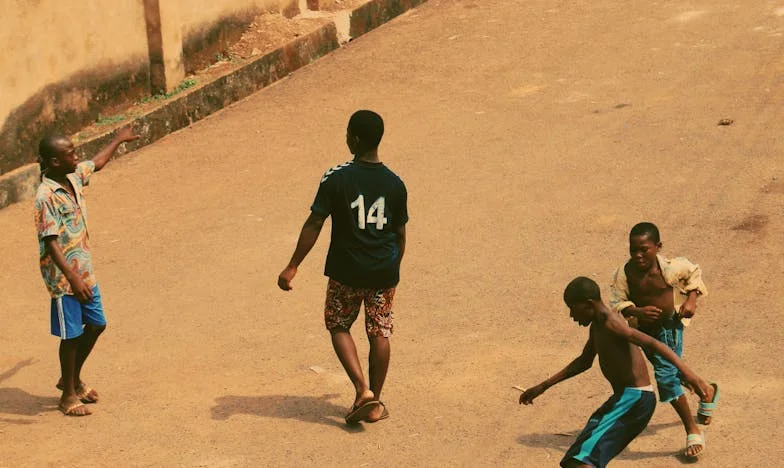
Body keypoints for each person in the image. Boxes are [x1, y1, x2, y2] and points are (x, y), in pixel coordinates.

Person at [277, 110, 408, 424]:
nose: (346, 138)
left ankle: (362, 389)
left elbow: (315, 222)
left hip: (346, 270)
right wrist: (392, 269)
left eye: (348, 133)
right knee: (380, 332)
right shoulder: (395, 183)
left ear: (356, 139)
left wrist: (293, 265)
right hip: (383, 271)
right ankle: (374, 402)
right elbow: (400, 233)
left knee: (338, 323)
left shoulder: (336, 177)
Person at [519, 277, 718, 467]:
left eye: (573, 309)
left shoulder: (610, 322)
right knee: (576, 459)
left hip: (634, 400)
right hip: (625, 399)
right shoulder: (597, 325)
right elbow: (584, 361)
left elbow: (653, 343)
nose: (572, 316)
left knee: (581, 460)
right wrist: (543, 386)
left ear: (588, 303)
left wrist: (689, 374)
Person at [34, 127, 139, 416]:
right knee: (70, 336)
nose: (76, 156)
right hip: (65, 280)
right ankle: (68, 395)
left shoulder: (73, 176)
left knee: (97, 325)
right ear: (55, 162)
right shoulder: (46, 196)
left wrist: (118, 139)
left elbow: (97, 163)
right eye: (71, 153)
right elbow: (50, 241)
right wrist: (71, 276)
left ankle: (70, 379)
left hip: (85, 273)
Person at [609, 222, 719, 458]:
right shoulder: (624, 273)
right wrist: (637, 312)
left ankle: (692, 429)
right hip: (645, 334)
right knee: (671, 369)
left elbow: (694, 275)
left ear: (658, 247)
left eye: (644, 249)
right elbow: (617, 301)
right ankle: (706, 390)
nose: (638, 255)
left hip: (670, 327)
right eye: (633, 250)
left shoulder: (671, 268)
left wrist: (691, 301)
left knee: (665, 376)